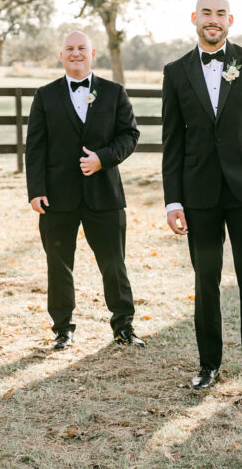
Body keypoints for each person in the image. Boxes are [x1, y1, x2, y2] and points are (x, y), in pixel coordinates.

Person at [162, 0, 242, 396]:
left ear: (230, 20)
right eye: (206, 14)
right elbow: (172, 142)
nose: (212, 20)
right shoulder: (176, 71)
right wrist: (173, 199)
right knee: (206, 282)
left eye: (220, 14)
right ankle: (208, 365)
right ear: (194, 18)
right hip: (199, 194)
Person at [25, 31, 143, 350]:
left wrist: (102, 159)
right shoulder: (45, 95)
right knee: (59, 264)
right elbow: (34, 147)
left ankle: (124, 326)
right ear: (61, 56)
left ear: (93, 54)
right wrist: (35, 190)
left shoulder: (114, 92)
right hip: (56, 196)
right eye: (69, 49)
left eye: (81, 48)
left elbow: (130, 135)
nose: (75, 53)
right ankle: (63, 328)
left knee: (114, 262)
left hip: (104, 194)